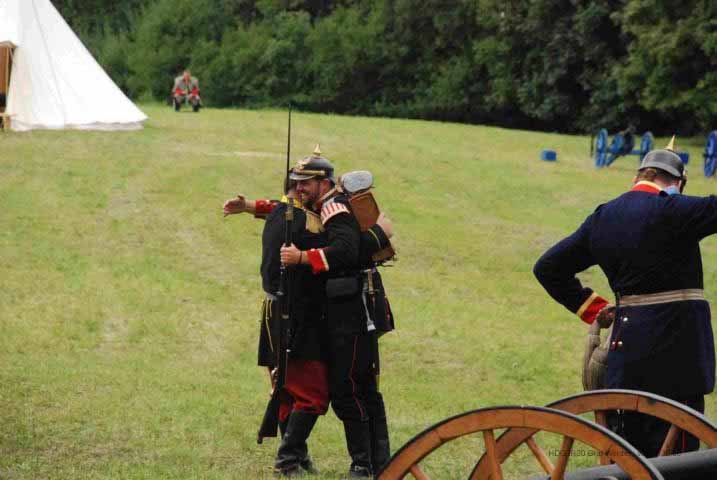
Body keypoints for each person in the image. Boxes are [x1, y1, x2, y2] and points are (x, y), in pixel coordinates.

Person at [533, 137, 716, 457]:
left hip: (626, 356)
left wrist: (595, 309)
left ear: (638, 176)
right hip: (677, 359)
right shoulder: (676, 209)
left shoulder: (603, 217)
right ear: (677, 183)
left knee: (630, 454)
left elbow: (548, 268)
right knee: (678, 458)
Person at [280, 149, 393, 477]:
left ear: (324, 182)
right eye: (297, 181)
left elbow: (346, 251)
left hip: (353, 312)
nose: (299, 187)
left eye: (306, 182)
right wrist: (250, 207)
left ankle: (364, 465)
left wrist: (303, 258)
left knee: (348, 388)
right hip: (348, 310)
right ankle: (375, 462)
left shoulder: (333, 207)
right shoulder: (323, 205)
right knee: (359, 387)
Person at [223, 187, 329, 477]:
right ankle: (287, 460)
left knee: (287, 390)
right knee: (310, 393)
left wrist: (249, 205)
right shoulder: (305, 223)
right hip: (297, 316)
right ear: (304, 187)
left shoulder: (282, 213)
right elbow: (340, 250)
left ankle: (297, 455)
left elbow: (276, 207)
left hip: (277, 312)